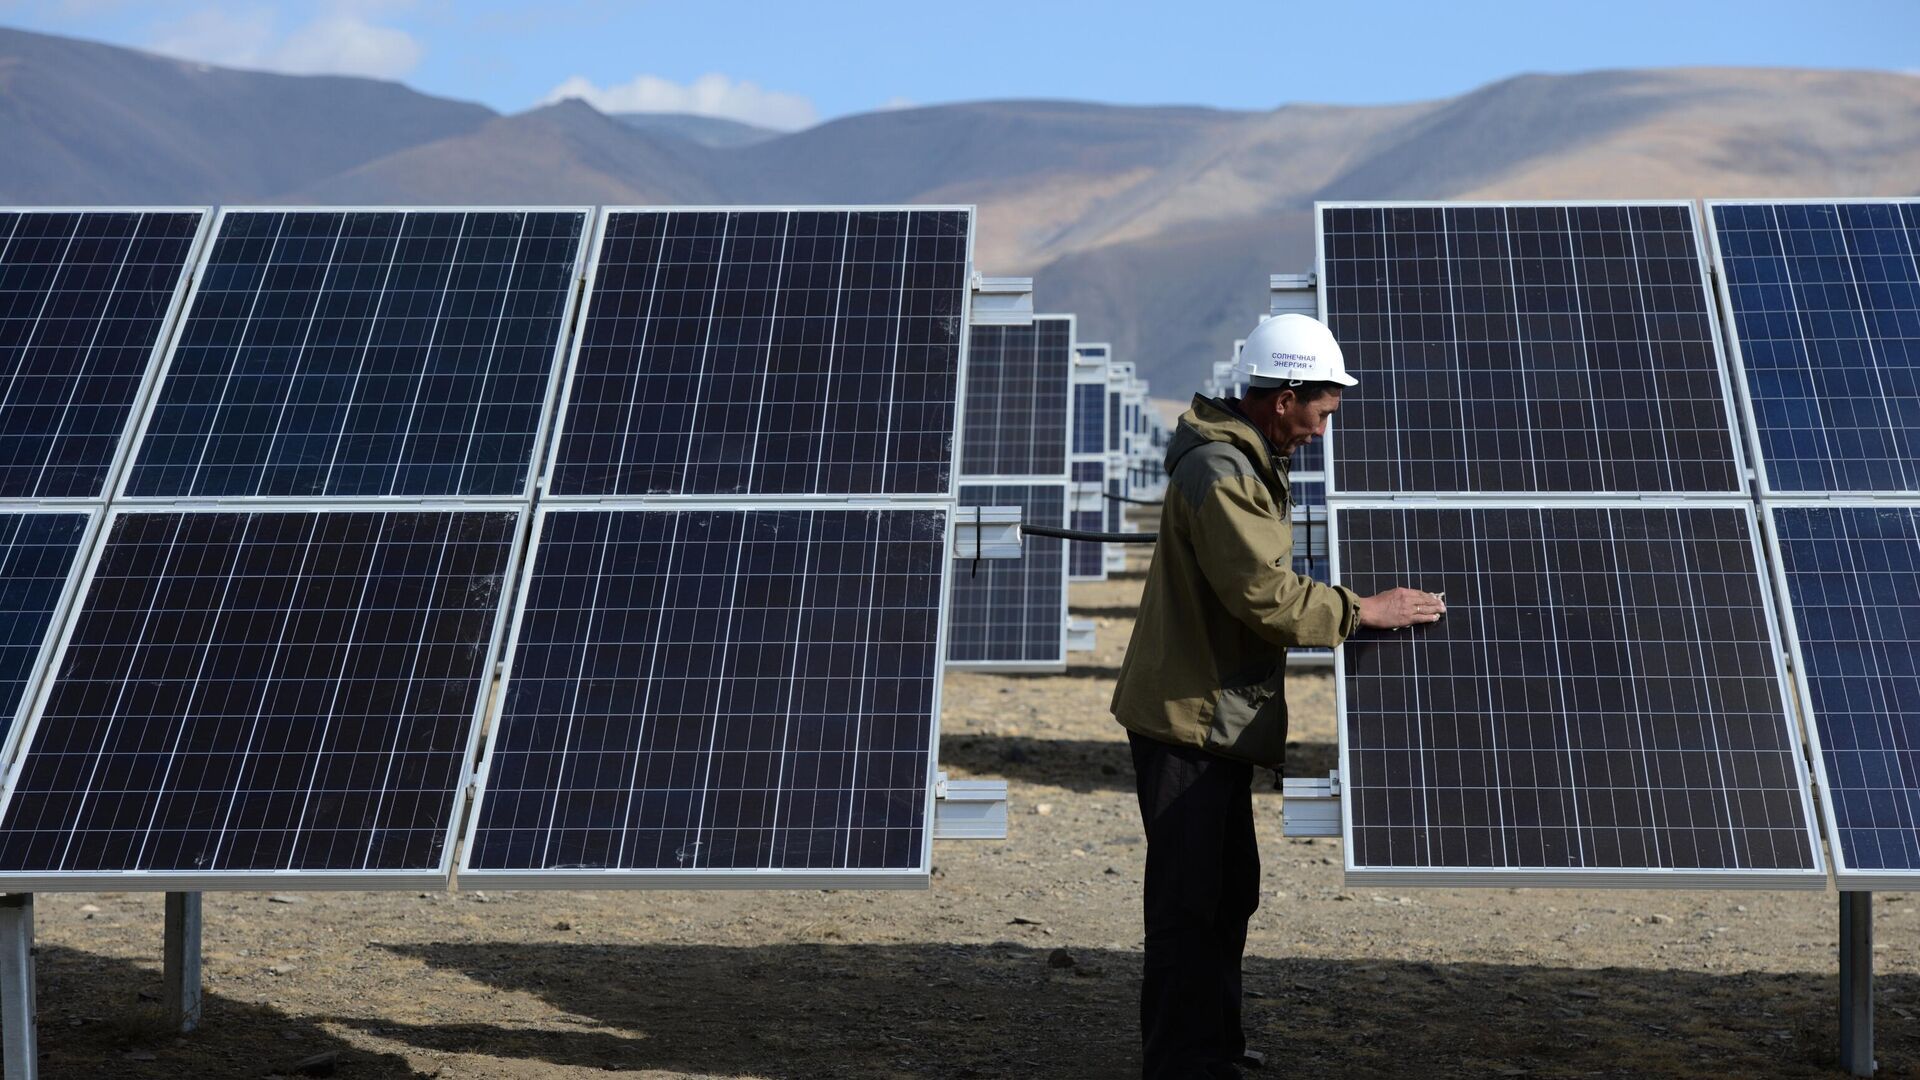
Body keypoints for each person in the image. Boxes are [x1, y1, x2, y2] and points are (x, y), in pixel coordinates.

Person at [1110, 313, 1444, 1079]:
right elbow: (1262, 594)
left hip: (1211, 714)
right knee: (1191, 905)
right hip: (1187, 719)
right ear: (1284, 397)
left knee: (1227, 896)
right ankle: (1183, 1063)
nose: (1324, 431)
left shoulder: (1242, 461)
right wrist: (1362, 611)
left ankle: (1211, 1048)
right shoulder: (1224, 473)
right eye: (1321, 413)